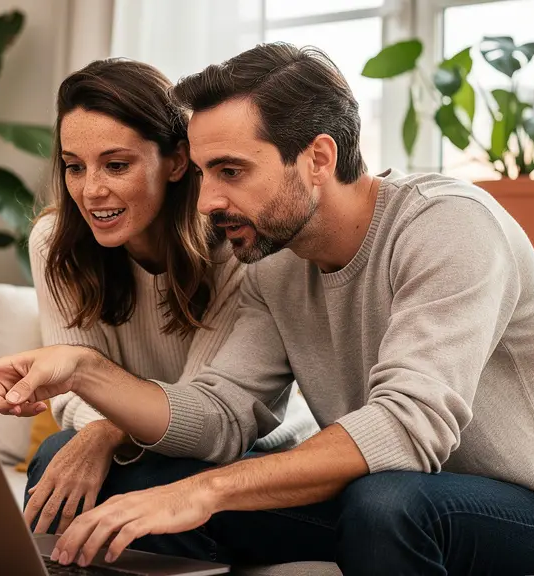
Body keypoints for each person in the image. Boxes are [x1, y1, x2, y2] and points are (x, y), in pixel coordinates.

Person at [0, 43, 534, 575]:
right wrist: (85, 372)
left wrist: (210, 493)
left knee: (384, 502)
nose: (207, 202)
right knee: (130, 486)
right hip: (380, 490)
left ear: (317, 158)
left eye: (231, 171)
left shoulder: (447, 224)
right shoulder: (271, 259)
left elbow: (410, 428)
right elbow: (218, 415)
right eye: (205, 171)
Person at [19, 58, 316, 537]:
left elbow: (201, 413)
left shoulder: (238, 248)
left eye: (116, 165)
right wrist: (99, 428)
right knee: (59, 460)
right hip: (143, 448)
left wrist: (108, 431)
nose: (91, 190)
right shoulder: (55, 244)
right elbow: (75, 391)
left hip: (246, 449)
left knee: (140, 484)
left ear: (177, 161)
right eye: (75, 167)